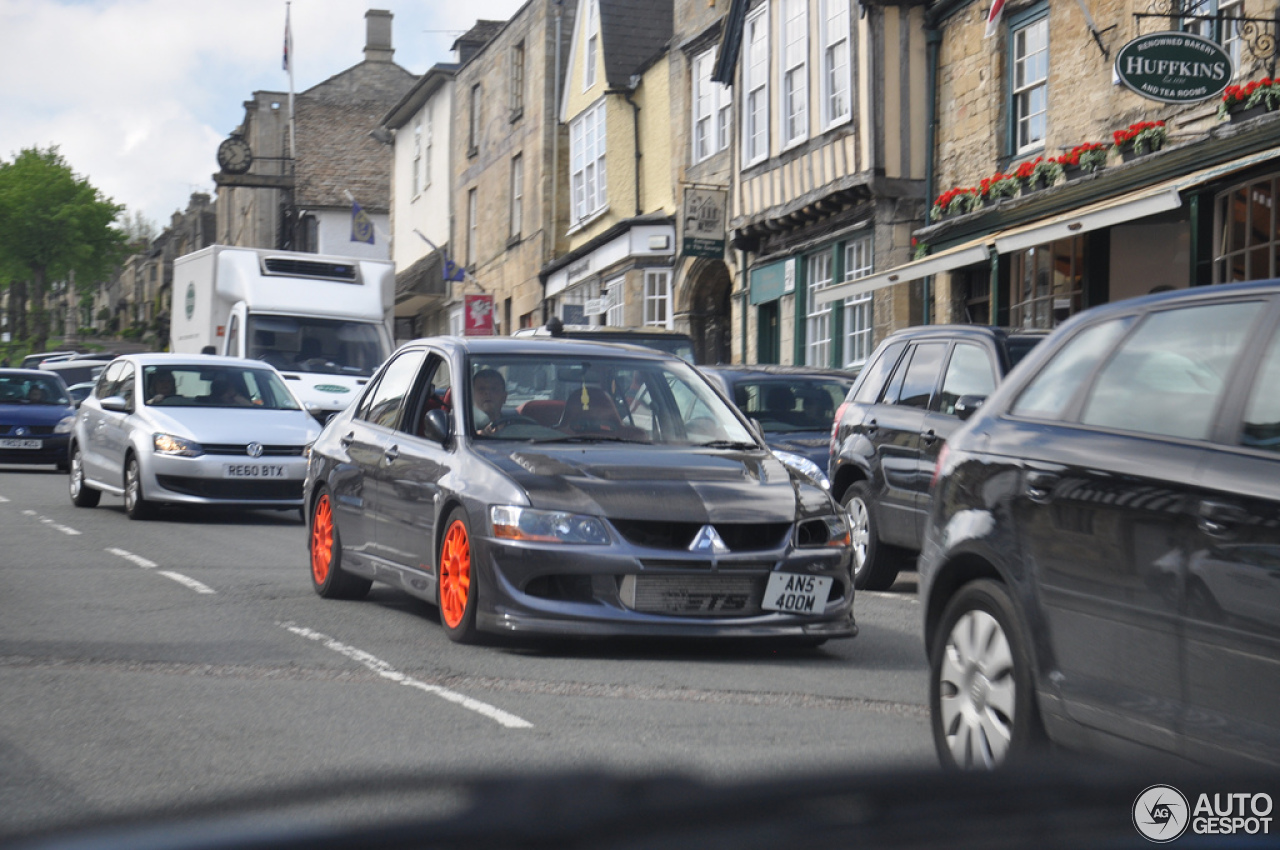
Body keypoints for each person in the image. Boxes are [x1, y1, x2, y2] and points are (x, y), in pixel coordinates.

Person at [472, 368, 508, 434]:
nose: (487, 393)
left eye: (494, 389)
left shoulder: (516, 429)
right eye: (481, 389)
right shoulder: (462, 427)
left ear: (504, 397)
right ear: (471, 396)